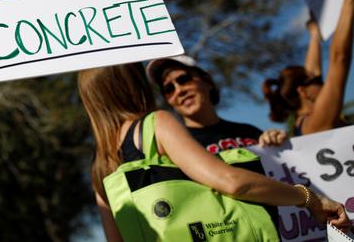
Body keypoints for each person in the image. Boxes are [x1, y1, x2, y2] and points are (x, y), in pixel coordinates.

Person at [78, 63, 350, 242]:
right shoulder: (155, 124)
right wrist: (307, 197)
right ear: (133, 82)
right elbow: (232, 182)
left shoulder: (100, 166)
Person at [263, 0, 354, 136]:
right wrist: (349, 0)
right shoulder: (317, 121)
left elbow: (312, 70)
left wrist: (314, 35)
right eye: (318, 81)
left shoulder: (303, 123)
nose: (324, 82)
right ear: (303, 92)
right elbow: (339, 59)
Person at [146, 55, 286, 154]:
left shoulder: (249, 132)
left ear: (207, 82)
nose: (179, 90)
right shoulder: (174, 146)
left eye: (184, 79)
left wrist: (275, 142)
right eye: (169, 89)